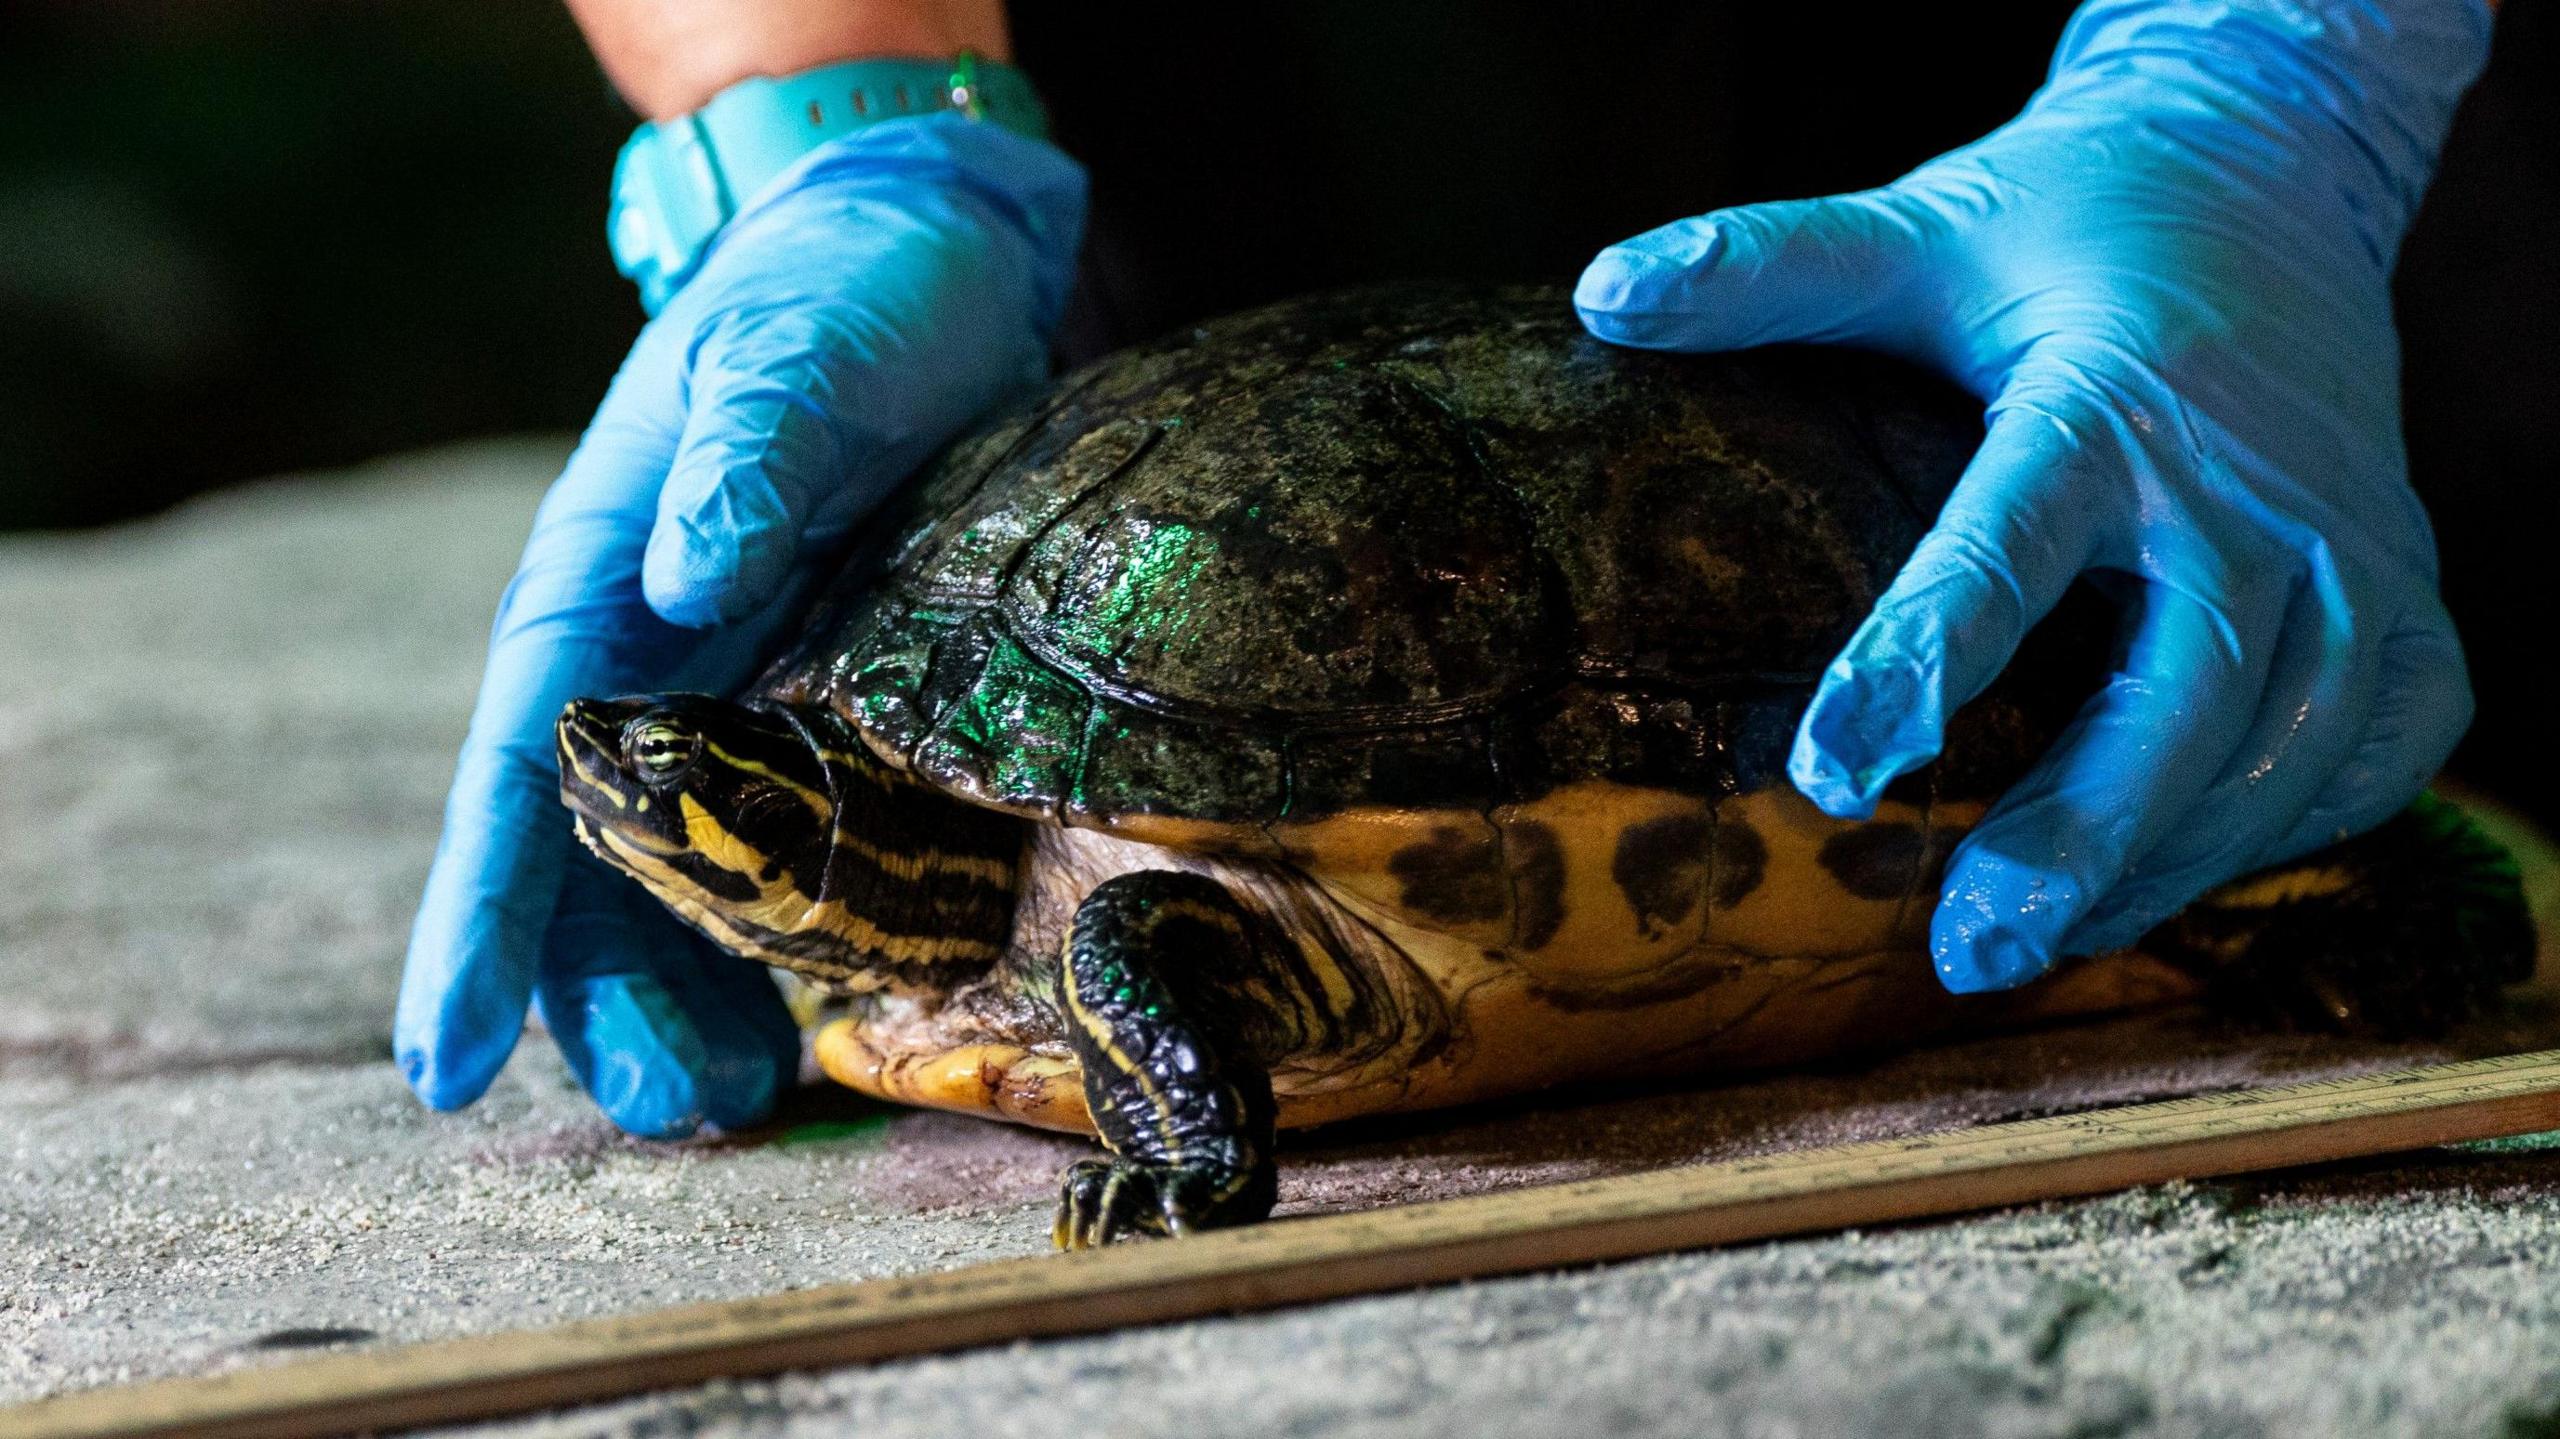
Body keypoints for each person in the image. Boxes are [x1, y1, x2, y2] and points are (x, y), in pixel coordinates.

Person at [395, 0, 2503, 1137]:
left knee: (2216, 661)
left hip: (2079, 263)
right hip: (1239, 299)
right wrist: (812, 99)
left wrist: (2273, 76)